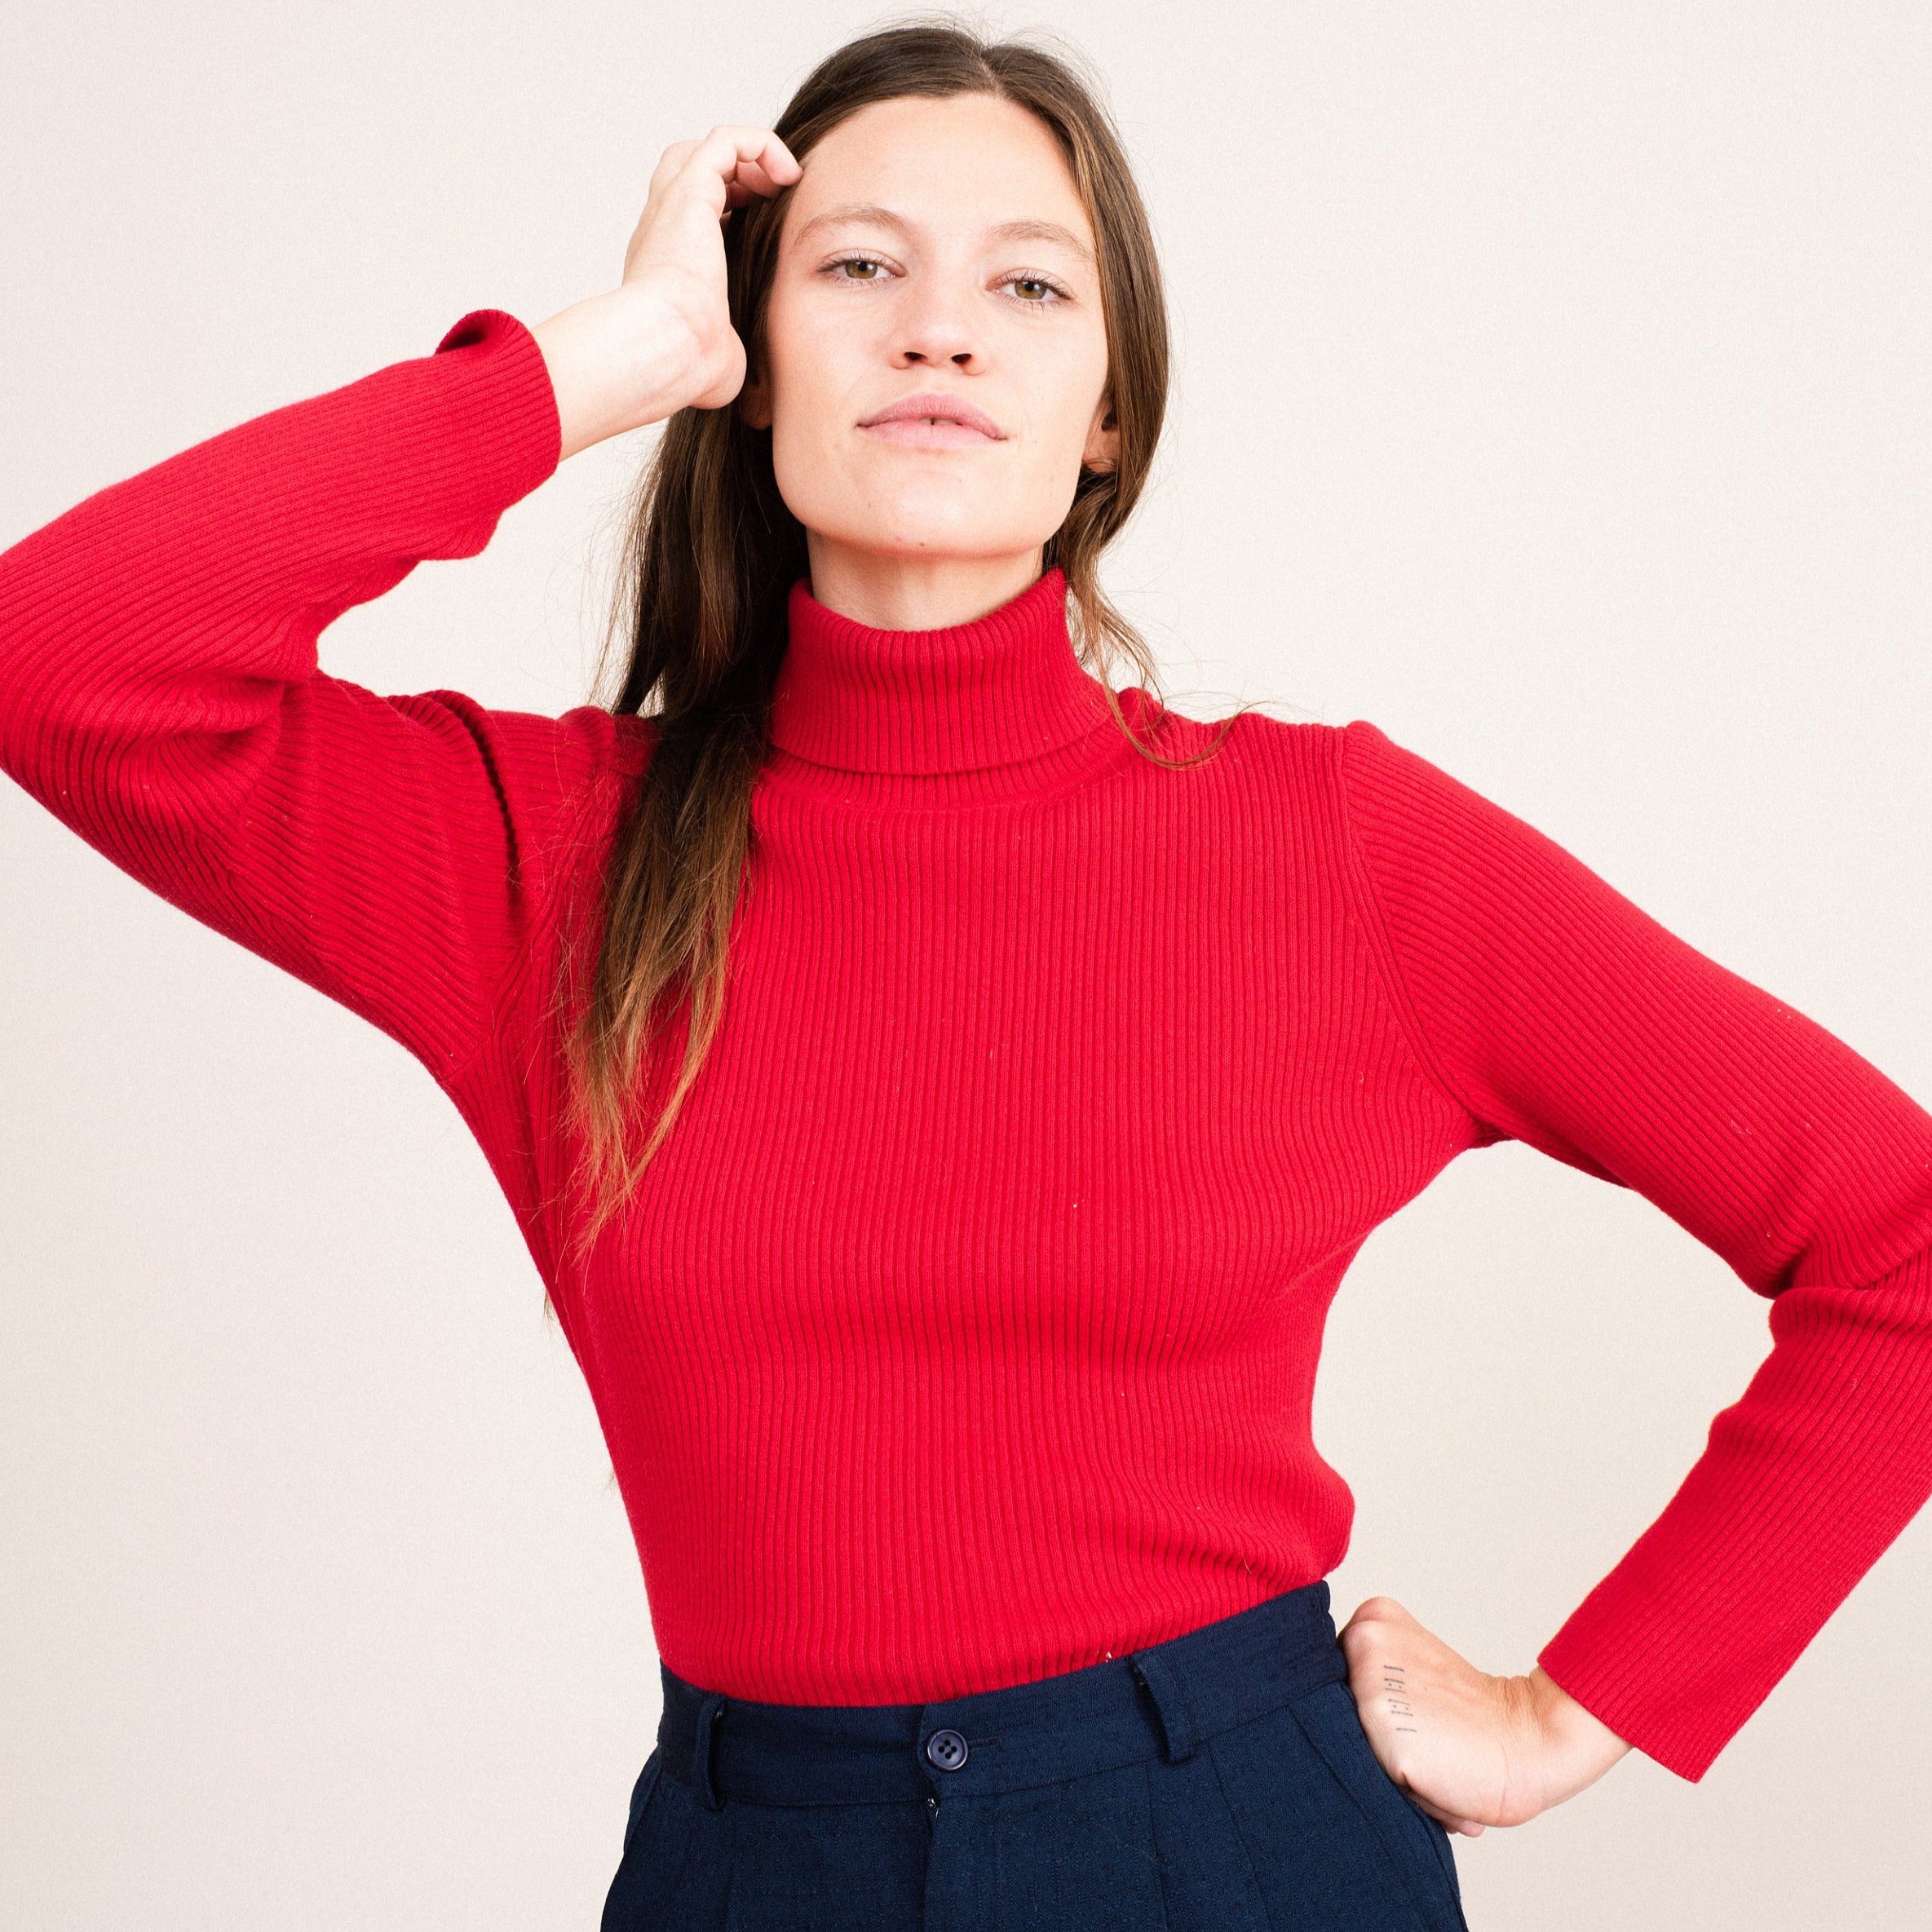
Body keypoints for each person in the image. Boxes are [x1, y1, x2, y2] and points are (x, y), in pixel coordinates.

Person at [4, 17, 1930, 1930]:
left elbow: (1897, 1240)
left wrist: (1566, 1719)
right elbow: (61, 658)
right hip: (756, 1861)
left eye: (1026, 282)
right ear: (754, 366)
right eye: (857, 269)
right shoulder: (544, 864)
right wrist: (601, 361)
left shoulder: (1333, 850)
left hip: (1230, 1848)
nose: (941, 330)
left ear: (1108, 408)